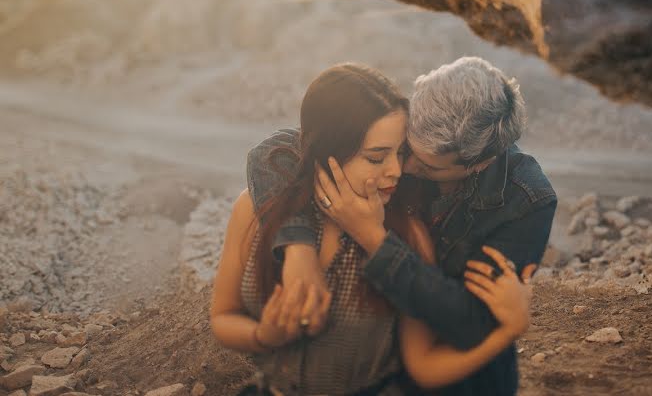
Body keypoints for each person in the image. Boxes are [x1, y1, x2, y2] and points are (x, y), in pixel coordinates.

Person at [210, 63, 535, 395]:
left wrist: (506, 332)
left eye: (400, 152)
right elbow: (223, 315)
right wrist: (263, 337)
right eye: (376, 158)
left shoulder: (409, 235)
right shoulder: (254, 209)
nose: (396, 170)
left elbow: (424, 366)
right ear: (327, 150)